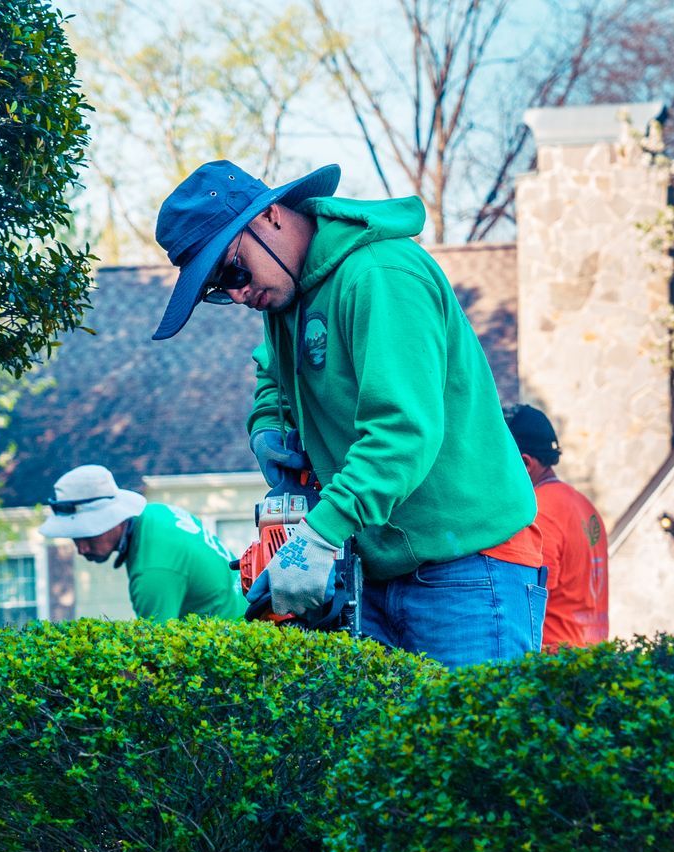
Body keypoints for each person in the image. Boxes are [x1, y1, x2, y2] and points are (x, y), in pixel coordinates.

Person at [150, 160, 544, 667]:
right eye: (217, 290)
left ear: (269, 217)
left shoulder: (381, 276)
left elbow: (402, 432)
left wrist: (318, 535)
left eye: (232, 270)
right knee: (383, 748)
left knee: (469, 745)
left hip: (468, 565)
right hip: (379, 566)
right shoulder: (288, 294)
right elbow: (272, 374)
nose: (237, 293)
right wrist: (268, 428)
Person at [37, 463, 247, 622]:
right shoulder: (156, 514)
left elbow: (157, 659)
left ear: (113, 520)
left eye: (87, 535)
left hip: (235, 647)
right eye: (75, 538)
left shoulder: (153, 571)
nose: (81, 549)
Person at [504, 404, 609, 648]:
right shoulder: (584, 505)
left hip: (552, 665)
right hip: (592, 657)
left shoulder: (538, 513)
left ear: (525, 464)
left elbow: (527, 604)